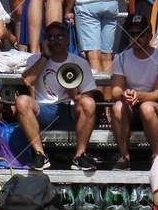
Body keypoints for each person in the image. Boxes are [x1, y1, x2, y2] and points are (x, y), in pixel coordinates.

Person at [16, 23, 97, 172]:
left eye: (60, 36)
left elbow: (89, 97)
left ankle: (80, 156)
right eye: (51, 37)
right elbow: (27, 81)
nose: (55, 41)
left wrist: (73, 93)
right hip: (44, 110)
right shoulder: (35, 59)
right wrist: (45, 56)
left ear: (68, 40)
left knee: (88, 103)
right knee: (21, 101)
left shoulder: (80, 62)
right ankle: (40, 155)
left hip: (69, 110)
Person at [109, 11, 158, 165]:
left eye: (141, 34)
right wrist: (125, 94)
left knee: (147, 108)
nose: (136, 37)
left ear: (150, 35)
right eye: (132, 34)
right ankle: (124, 156)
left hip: (157, 107)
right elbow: (116, 90)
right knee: (117, 107)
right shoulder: (121, 58)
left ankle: (156, 156)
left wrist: (138, 95)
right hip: (131, 107)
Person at [66, 0, 123, 74]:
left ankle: (97, 83)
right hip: (110, 0)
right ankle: (107, 82)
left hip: (88, 2)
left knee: (93, 56)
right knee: (107, 55)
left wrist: (68, 9)